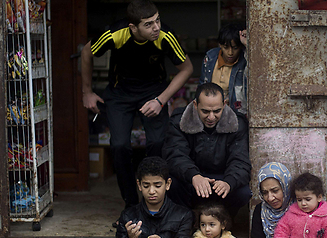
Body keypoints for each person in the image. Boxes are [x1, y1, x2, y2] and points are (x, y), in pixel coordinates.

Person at [81, 0, 193, 220]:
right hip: (119, 92)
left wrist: (160, 101)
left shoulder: (164, 36)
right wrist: (87, 92)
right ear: (134, 27)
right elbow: (86, 52)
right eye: (149, 24)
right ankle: (131, 205)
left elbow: (186, 68)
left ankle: (157, 204)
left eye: (158, 20)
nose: (156, 27)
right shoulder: (116, 34)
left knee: (157, 144)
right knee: (120, 146)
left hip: (154, 92)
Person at [163, 82, 252, 218]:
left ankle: (223, 221)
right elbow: (175, 155)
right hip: (192, 180)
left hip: (221, 181)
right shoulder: (179, 121)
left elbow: (240, 161)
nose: (211, 117)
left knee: (243, 192)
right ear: (195, 105)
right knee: (171, 184)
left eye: (217, 111)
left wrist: (229, 182)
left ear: (225, 104)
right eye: (205, 111)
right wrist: (194, 176)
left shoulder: (237, 123)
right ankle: (186, 220)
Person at [199, 23, 248, 116]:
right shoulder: (210, 58)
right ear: (220, 45)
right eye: (226, 47)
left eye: (235, 48)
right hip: (211, 112)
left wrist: (247, 43)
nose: (230, 53)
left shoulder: (244, 60)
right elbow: (202, 86)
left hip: (236, 113)